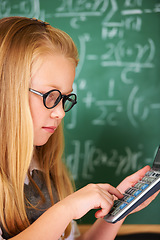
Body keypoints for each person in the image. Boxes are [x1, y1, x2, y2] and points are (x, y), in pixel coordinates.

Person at [0, 16, 158, 240]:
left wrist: (119, 209)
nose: (60, 112)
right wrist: (65, 209)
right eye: (50, 96)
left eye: (64, 98)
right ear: (6, 90)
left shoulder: (42, 164)